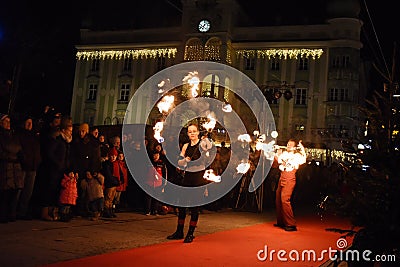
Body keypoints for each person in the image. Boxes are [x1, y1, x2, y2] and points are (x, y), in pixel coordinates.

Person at [166, 123, 212, 243]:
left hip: (198, 177)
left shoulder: (202, 144)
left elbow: (209, 148)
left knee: (194, 207)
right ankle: (179, 231)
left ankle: (190, 233)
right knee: (182, 205)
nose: (192, 133)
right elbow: (179, 162)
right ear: (187, 134)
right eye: (189, 131)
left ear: (198, 132)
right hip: (188, 176)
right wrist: (184, 160)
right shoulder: (186, 146)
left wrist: (206, 138)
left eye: (194, 131)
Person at [273, 139, 306, 232]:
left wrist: (302, 148)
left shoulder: (297, 156)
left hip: (290, 178)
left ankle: (291, 224)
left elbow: (304, 159)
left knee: (284, 199)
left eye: (291, 145)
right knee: (278, 199)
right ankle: (281, 221)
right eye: (287, 144)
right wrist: (276, 154)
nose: (288, 146)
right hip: (282, 177)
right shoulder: (283, 154)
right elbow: (275, 165)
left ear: (295, 147)